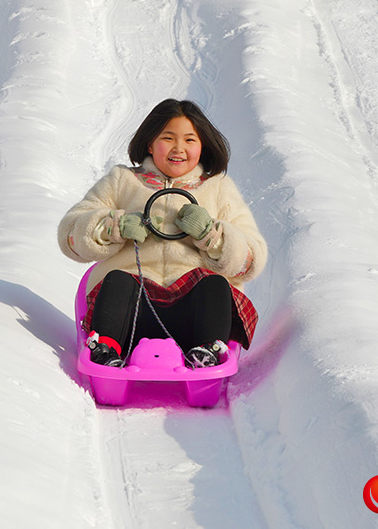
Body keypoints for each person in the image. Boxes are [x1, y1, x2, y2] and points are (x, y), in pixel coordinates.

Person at [58, 99, 267, 368]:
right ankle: (106, 349)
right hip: (133, 311)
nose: (179, 149)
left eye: (190, 140)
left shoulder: (218, 188)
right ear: (149, 144)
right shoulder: (123, 181)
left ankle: (207, 351)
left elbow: (251, 261)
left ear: (201, 146)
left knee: (215, 285)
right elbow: (70, 237)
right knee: (117, 281)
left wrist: (212, 236)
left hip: (193, 313)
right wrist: (113, 227)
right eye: (168, 138)